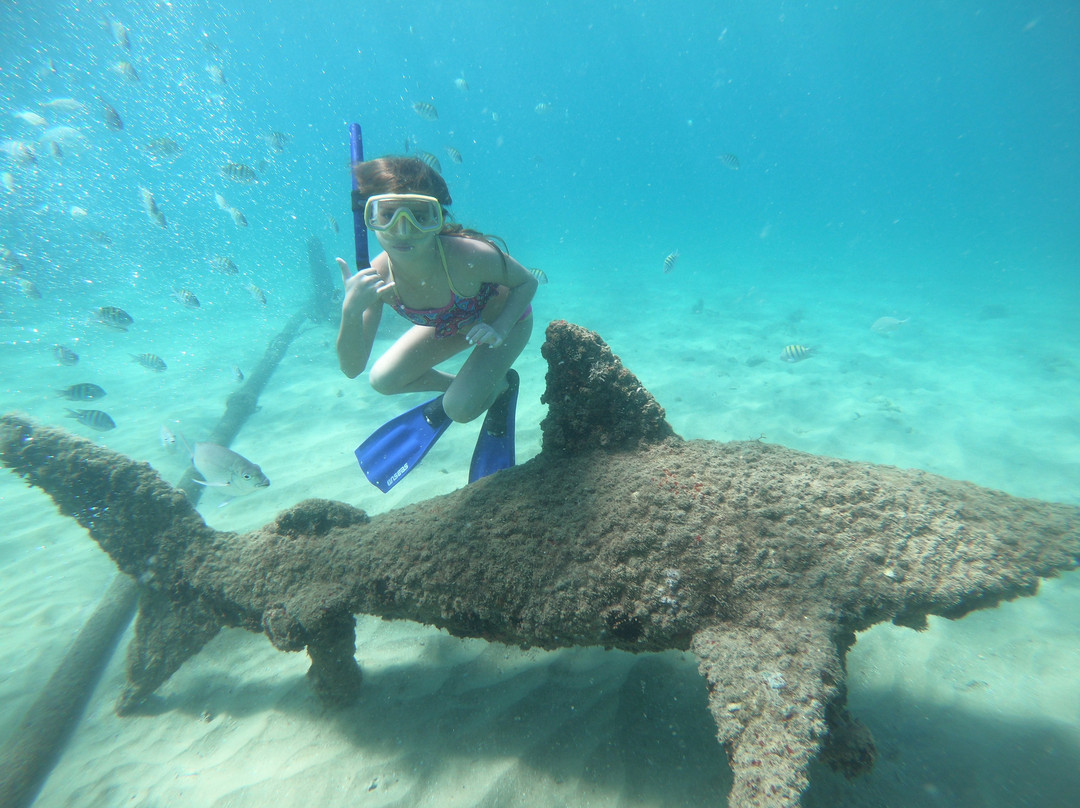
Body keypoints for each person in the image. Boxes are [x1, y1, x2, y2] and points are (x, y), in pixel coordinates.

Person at [337, 156, 538, 491]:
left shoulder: (466, 255)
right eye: (388, 215)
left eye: (420, 216)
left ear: (438, 219)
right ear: (368, 219)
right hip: (452, 326)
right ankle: (491, 387)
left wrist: (500, 328)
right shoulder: (377, 278)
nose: (404, 230)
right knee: (382, 379)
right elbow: (352, 367)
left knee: (459, 409)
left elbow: (527, 283)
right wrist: (350, 310)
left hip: (503, 323)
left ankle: (482, 389)